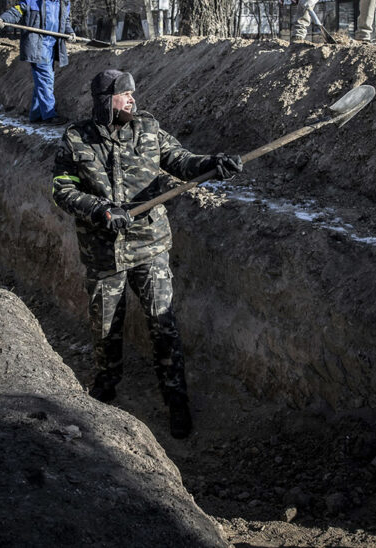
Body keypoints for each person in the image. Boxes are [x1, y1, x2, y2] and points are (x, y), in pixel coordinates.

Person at [51, 69, 244, 439]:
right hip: (103, 252)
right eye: (125, 96)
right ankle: (104, 392)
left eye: (133, 94)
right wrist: (100, 210)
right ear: (106, 101)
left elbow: (181, 160)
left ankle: (176, 401)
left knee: (163, 324)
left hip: (149, 244)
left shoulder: (148, 128)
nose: (133, 101)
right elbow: (62, 189)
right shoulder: (76, 139)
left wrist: (212, 163)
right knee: (106, 329)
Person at [0, 0, 75, 125]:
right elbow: (17, 11)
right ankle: (49, 115)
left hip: (53, 46)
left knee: (42, 81)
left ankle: (36, 115)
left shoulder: (64, 0)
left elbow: (66, 20)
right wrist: (3, 19)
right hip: (37, 45)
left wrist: (70, 32)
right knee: (46, 80)